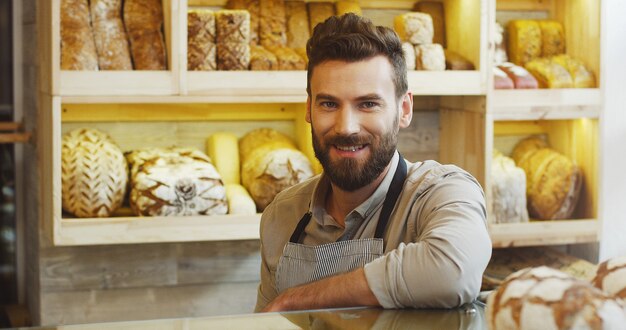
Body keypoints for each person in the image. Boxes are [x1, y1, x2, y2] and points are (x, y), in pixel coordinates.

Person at [255, 13, 491, 312]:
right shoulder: (282, 214)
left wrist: (294, 299)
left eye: (368, 104)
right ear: (309, 109)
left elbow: (451, 272)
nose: (346, 127)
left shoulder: (440, 193)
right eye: (329, 104)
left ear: (404, 109)